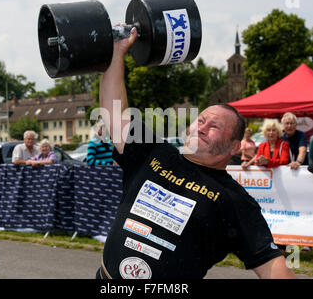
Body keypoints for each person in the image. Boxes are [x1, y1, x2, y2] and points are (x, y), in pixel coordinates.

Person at [95, 26, 296, 279]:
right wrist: (116, 53)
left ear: (235, 146)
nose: (202, 127)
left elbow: (273, 266)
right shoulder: (154, 152)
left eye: (214, 127)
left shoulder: (234, 200)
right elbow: (114, 113)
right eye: (200, 120)